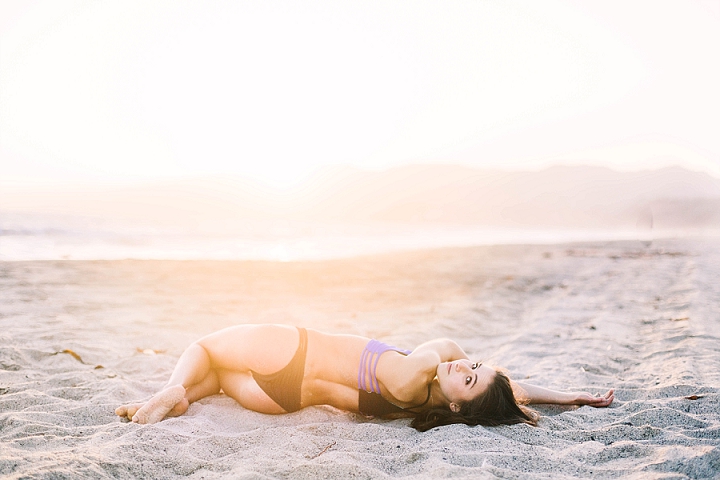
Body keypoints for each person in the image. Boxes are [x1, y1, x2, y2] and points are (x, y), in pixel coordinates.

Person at [115, 324, 614, 431]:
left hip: (294, 350)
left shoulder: (415, 372)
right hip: (279, 399)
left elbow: (464, 363)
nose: (464, 366)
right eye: (474, 367)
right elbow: (509, 391)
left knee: (203, 347)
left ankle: (175, 388)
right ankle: (189, 397)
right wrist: (572, 398)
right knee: (221, 379)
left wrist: (456, 356)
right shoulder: (432, 404)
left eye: (466, 378)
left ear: (457, 402)